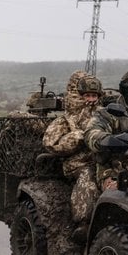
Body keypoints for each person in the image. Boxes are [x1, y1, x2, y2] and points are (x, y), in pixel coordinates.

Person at [42, 70, 104, 241]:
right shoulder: (67, 119)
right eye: (87, 95)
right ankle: (84, 223)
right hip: (78, 163)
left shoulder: (104, 115)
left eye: (94, 95)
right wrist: (79, 137)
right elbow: (50, 143)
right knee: (88, 178)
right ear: (79, 95)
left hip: (103, 161)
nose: (91, 99)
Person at [84, 67, 128, 191]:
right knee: (118, 194)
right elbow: (90, 134)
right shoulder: (108, 113)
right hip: (113, 169)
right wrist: (108, 140)